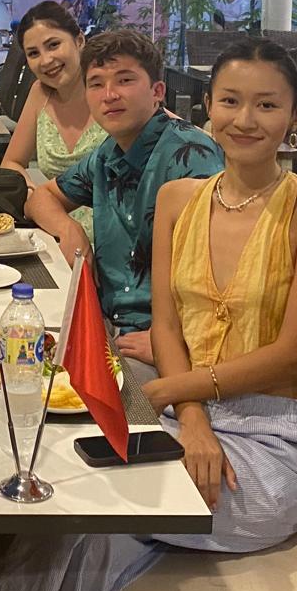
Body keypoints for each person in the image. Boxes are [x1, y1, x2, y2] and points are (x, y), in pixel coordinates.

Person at [0, 39, 297, 591]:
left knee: (88, 509)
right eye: (231, 101)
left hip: (268, 444)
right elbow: (168, 326)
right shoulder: (183, 198)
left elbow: (291, 359)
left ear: (296, 115)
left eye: (267, 105)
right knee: (92, 523)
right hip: (189, 421)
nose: (245, 119)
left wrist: (165, 394)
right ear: (208, 105)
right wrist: (194, 417)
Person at [23, 29, 224, 388]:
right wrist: (70, 229)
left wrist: (174, 342)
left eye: (125, 80)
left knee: (53, 394)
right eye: (96, 84)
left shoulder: (190, 156)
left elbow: (223, 272)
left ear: (157, 91)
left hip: (164, 346)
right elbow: (41, 197)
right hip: (107, 323)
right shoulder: (108, 154)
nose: (109, 95)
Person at [0, 0, 105, 245]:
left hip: (112, 243)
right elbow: (12, 162)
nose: (46, 60)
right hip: (55, 234)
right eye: (33, 53)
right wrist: (36, 196)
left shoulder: (108, 91)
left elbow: (172, 131)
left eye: (53, 45)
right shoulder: (40, 93)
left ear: (79, 40)